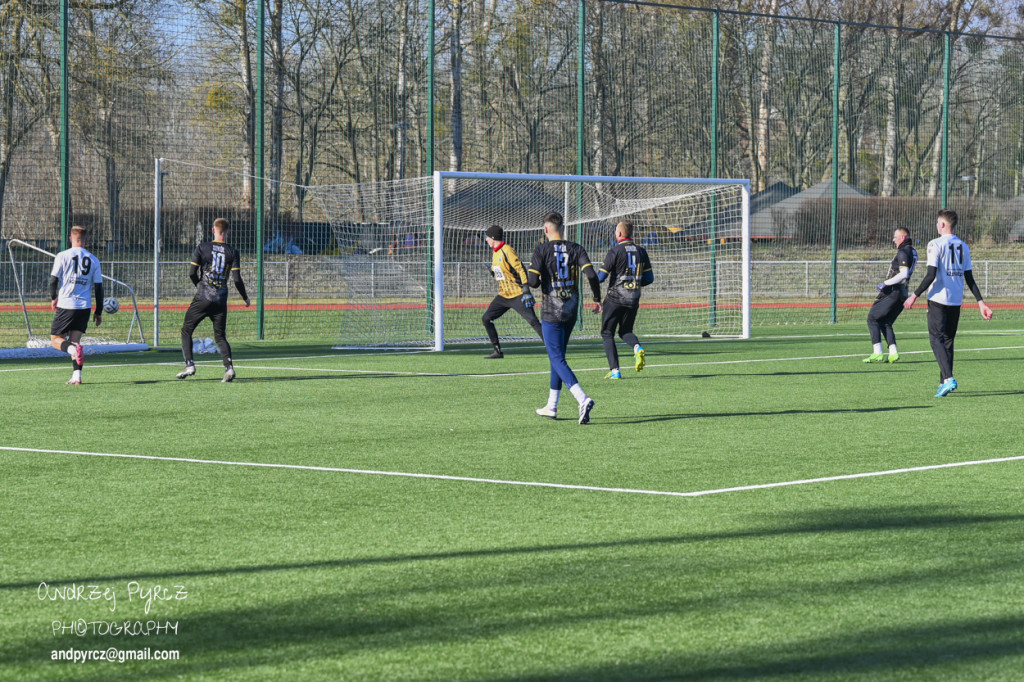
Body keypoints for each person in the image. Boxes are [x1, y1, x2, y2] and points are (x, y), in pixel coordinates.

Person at [904, 209, 993, 396]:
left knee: (935, 339)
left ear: (943, 224)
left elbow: (931, 275)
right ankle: (943, 381)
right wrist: (981, 302)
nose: (936, 225)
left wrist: (914, 295)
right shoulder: (964, 246)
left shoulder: (935, 244)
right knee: (948, 341)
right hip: (955, 299)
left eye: (938, 222)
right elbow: (970, 278)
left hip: (938, 298)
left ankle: (948, 378)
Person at [527, 212, 602, 424]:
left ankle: (582, 398)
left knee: (557, 357)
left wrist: (538, 277)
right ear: (562, 228)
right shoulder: (576, 248)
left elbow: (532, 282)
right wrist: (597, 298)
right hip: (571, 310)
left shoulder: (541, 249)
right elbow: (591, 275)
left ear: (545, 229)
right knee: (557, 357)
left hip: (552, 311)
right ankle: (552, 405)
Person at [177, 218, 251, 382]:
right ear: (228, 232)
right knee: (220, 337)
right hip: (220, 300)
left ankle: (189, 364)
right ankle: (229, 368)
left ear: (213, 230)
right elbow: (237, 279)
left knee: (187, 330)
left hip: (203, 297)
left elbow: (191, 273)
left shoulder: (202, 247)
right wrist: (245, 297)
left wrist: (199, 286)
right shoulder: (233, 251)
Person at [597, 219, 654, 379]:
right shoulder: (642, 251)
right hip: (633, 299)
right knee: (625, 331)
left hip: (615, 298)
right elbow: (649, 278)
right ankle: (636, 347)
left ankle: (615, 370)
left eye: (616, 230)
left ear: (620, 233)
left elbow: (601, 277)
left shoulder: (615, 251)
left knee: (607, 333)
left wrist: (588, 276)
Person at [49, 226, 103, 385]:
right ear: (86, 240)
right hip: (84, 307)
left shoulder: (62, 256)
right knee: (75, 340)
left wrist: (54, 297)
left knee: (56, 340)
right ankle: (77, 377)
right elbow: (99, 288)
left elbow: (53, 280)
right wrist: (98, 311)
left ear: (71, 239)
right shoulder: (93, 259)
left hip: (66, 304)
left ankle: (72, 351)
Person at [481, 224, 543, 359]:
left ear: (492, 238)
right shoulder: (495, 252)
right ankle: (497, 351)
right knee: (486, 318)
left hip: (517, 294)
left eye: (487, 237)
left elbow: (520, 268)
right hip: (504, 295)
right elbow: (503, 273)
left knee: (533, 322)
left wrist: (526, 290)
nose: (486, 240)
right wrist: (493, 272)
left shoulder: (507, 250)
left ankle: (554, 350)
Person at [863, 227, 917, 364]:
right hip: (903, 292)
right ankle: (893, 352)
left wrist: (885, 283)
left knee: (872, 318)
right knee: (885, 321)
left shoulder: (903, 251)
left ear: (903, 238)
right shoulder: (913, 251)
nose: (893, 239)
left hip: (893, 291)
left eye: (895, 237)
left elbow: (903, 274)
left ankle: (877, 352)